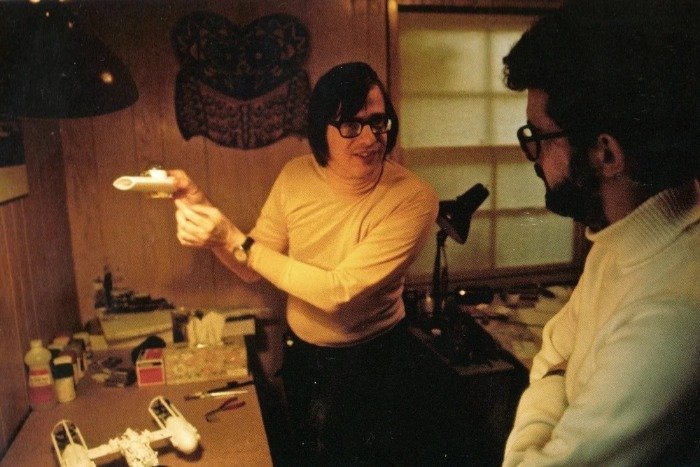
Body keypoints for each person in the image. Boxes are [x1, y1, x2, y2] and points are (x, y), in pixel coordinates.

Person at [169, 62, 444, 464]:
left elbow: (338, 292)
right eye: (350, 125)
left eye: (378, 122)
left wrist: (231, 238)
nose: (370, 138)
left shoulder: (414, 197)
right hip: (304, 357)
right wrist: (207, 219)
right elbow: (250, 264)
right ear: (320, 129)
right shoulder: (296, 175)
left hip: (376, 361)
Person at [500, 0, 699, 465]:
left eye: (538, 137)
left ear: (605, 154)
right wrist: (557, 375)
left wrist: (555, 380)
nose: (532, 157)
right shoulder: (619, 241)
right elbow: (554, 348)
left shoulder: (672, 317)